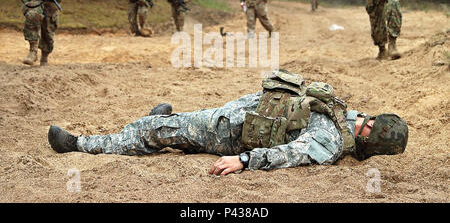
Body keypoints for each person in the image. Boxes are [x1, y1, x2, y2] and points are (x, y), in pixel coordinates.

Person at [48, 69, 408, 175]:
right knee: (176, 125)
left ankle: (80, 144)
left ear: (365, 144)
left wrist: (244, 160)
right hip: (237, 112)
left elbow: (289, 154)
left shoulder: (328, 140)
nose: (362, 119)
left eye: (367, 127)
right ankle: (164, 124)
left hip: (228, 132)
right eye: (370, 118)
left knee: (154, 132)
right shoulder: (340, 115)